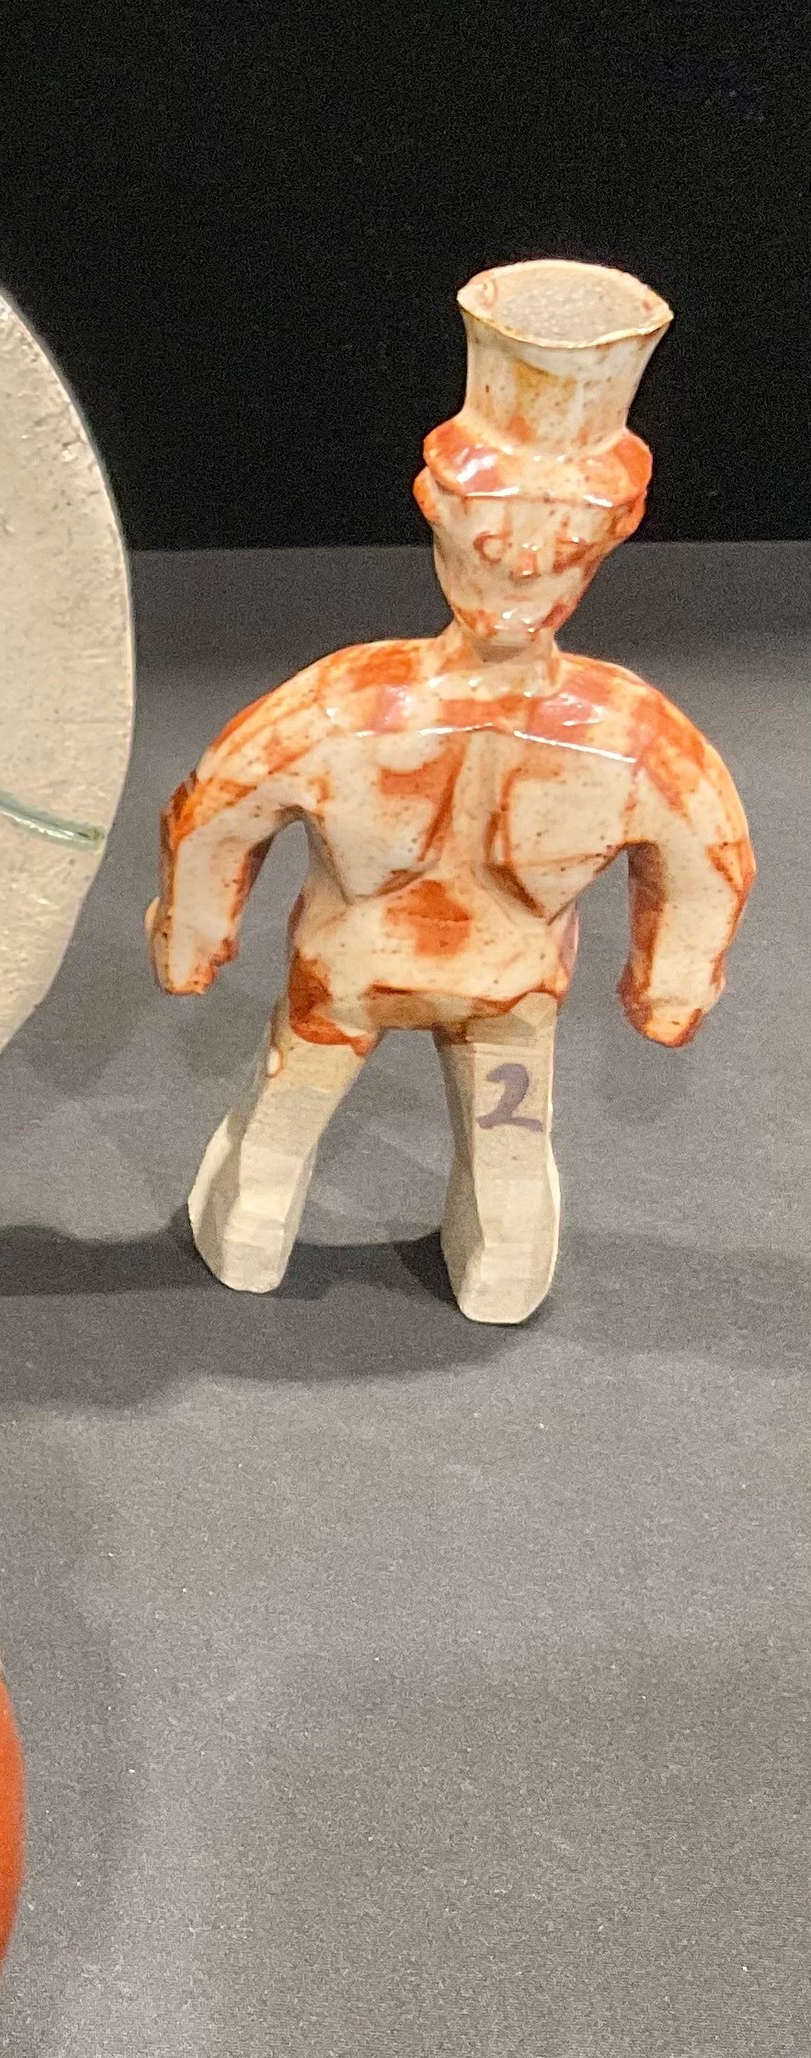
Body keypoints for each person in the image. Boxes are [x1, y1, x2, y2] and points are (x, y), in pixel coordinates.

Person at [148, 262, 752, 1324]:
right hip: (504, 989)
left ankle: (256, 1239)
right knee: (500, 1159)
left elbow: (217, 808)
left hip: (347, 977)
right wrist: (672, 984)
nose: (519, 571)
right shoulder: (632, 739)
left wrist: (191, 933)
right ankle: (483, 1267)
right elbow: (708, 855)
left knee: (281, 1136)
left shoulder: (345, 708)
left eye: (555, 550)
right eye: (493, 542)